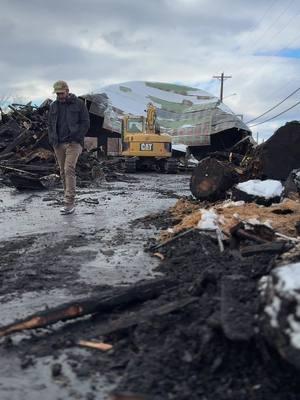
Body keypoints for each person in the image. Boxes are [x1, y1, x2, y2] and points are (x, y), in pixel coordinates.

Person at [48, 80, 90, 214]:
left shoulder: (79, 104)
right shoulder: (53, 106)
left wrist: (77, 137)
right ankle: (67, 199)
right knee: (62, 171)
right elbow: (50, 124)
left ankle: (69, 202)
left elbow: (85, 122)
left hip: (74, 143)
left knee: (69, 169)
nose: (59, 96)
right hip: (58, 143)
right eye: (57, 93)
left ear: (67, 90)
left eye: (61, 93)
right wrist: (52, 139)